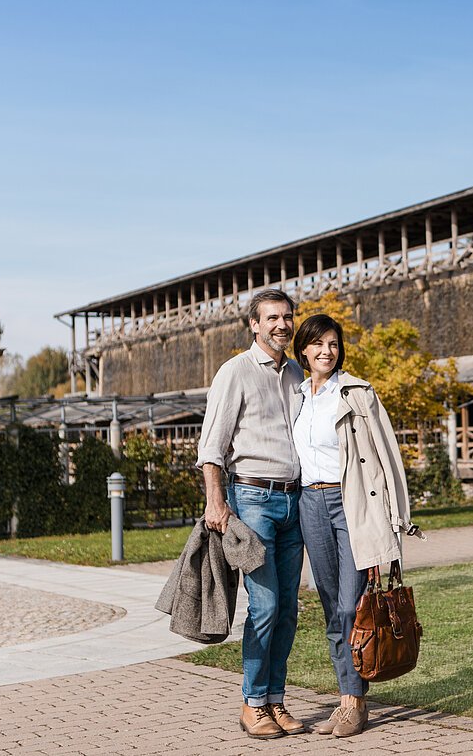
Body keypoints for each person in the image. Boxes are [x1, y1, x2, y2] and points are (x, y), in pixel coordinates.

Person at [291, 314, 413, 738]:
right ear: (303, 349)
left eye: (333, 343)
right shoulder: (297, 395)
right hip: (310, 501)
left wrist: (397, 517)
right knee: (330, 608)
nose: (327, 351)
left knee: (351, 606)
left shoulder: (358, 393)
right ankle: (347, 700)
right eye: (318, 343)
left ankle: (355, 704)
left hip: (352, 502)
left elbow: (387, 455)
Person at [196, 288, 306, 740]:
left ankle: (276, 701)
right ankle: (252, 703)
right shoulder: (234, 372)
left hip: (295, 502)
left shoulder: (298, 372)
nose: (282, 324)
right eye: (272, 318)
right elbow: (212, 446)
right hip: (253, 500)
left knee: (289, 610)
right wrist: (215, 501)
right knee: (265, 605)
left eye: (287, 316)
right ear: (254, 325)